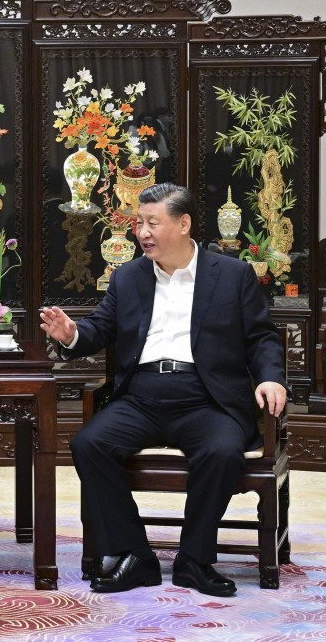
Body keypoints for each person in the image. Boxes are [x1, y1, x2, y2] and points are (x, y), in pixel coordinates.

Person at [40, 182, 286, 597]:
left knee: (222, 451)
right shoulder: (128, 277)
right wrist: (71, 335)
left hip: (206, 398)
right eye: (139, 223)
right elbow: (99, 330)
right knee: (89, 444)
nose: (142, 232)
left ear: (183, 223)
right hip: (142, 396)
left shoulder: (232, 274)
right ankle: (135, 555)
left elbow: (261, 337)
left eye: (152, 222)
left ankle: (194, 559)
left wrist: (270, 376)